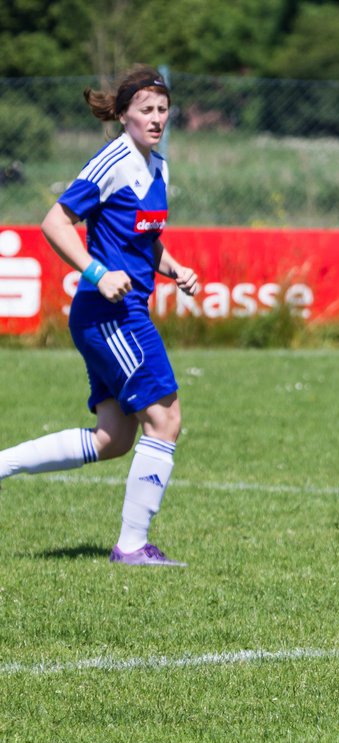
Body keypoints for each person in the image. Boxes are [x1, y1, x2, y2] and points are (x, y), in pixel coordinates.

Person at [0, 66, 198, 566]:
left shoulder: (159, 166)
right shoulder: (113, 159)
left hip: (117, 310)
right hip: (111, 311)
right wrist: (96, 272)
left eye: (162, 109)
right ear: (125, 114)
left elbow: (144, 239)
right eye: (146, 110)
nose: (156, 119)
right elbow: (54, 221)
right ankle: (132, 546)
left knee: (114, 438)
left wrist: (174, 268)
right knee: (165, 417)